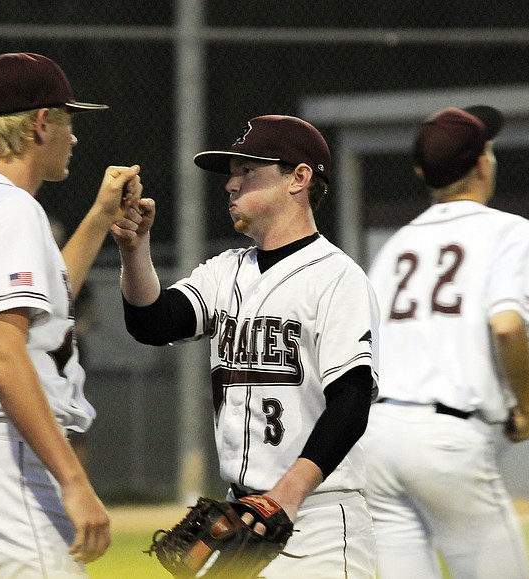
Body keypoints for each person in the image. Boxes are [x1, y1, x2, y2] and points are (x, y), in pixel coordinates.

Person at [111, 114, 380, 578]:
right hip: (243, 520)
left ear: (299, 178)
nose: (230, 185)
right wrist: (135, 249)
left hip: (316, 517)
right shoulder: (225, 271)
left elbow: (352, 401)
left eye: (247, 171)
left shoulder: (337, 278)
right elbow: (153, 322)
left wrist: (285, 498)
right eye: (231, 173)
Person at [0, 52, 142, 577]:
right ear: (40, 124)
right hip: (5, 464)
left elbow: (49, 300)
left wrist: (100, 216)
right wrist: (74, 480)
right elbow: (2, 355)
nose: (73, 136)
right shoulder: (12, 209)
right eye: (67, 121)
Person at [361, 106, 529, 578]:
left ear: (421, 172)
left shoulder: (395, 247)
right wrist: (525, 410)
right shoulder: (508, 230)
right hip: (446, 438)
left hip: (376, 438)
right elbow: (507, 324)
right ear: (483, 165)